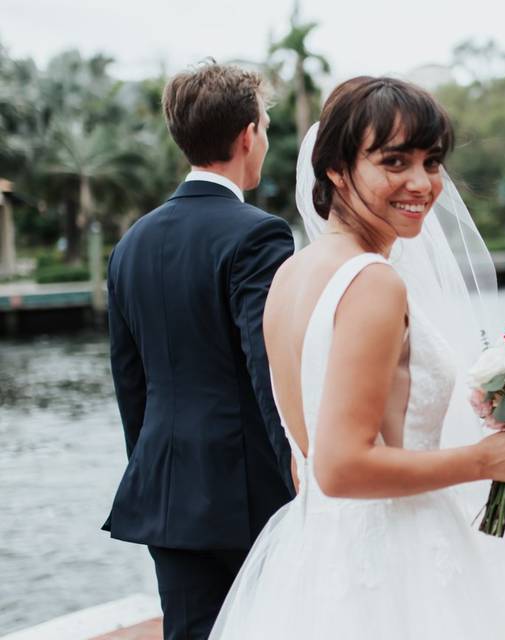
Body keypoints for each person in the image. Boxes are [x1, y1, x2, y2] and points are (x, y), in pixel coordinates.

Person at [210, 76, 505, 639]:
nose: (421, 183)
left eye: (432, 161)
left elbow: (308, 456)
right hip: (398, 561)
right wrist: (485, 459)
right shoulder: (374, 283)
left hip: (316, 555)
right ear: (335, 168)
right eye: (394, 162)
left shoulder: (291, 274)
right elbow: (342, 465)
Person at [103, 62, 295, 639]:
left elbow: (128, 380)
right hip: (248, 490)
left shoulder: (131, 243)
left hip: (166, 489)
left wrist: (155, 469)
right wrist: (299, 474)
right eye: (263, 125)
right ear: (246, 136)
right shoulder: (258, 234)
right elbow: (270, 368)